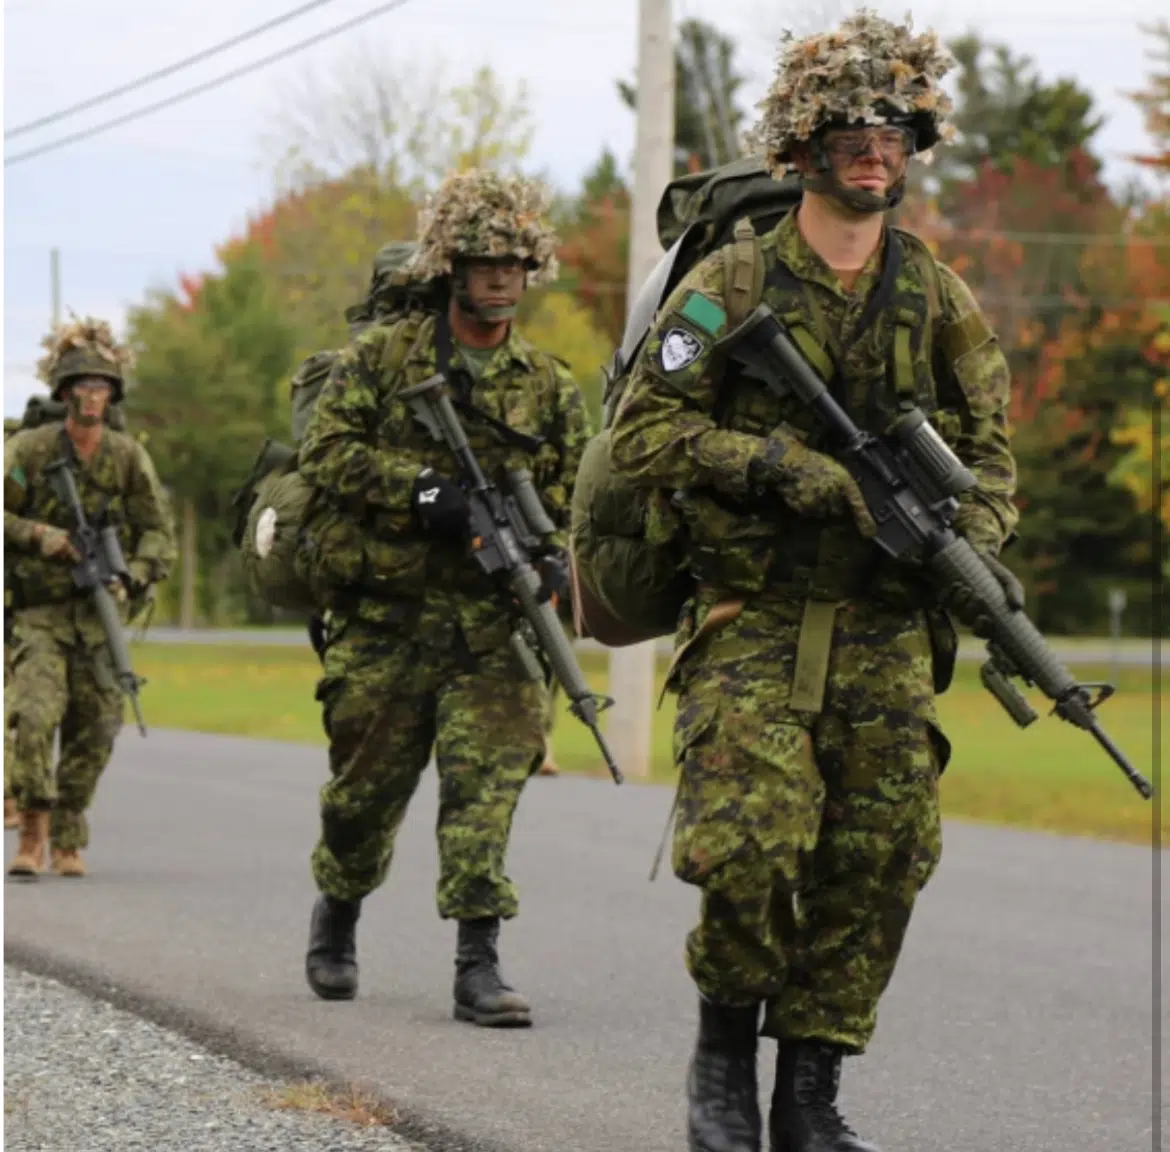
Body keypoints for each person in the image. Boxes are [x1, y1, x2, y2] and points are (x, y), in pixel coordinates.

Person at [608, 11, 1020, 1151]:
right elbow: (644, 435)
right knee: (750, 847)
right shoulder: (732, 283)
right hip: (752, 617)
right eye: (848, 126)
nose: (874, 147)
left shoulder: (936, 295)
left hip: (886, 631)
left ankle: (812, 1098)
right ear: (803, 143)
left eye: (892, 126)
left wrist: (968, 540)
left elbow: (993, 456)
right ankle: (722, 1066)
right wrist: (787, 471)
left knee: (880, 861)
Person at [297, 168, 591, 1026]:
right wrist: (424, 493)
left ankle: (478, 964)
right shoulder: (384, 359)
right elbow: (326, 452)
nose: (501, 277)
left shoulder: (549, 384)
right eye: (483, 261)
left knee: (485, 791)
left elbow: (570, 498)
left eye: (515, 263)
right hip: (385, 620)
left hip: (491, 630)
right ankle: (339, 907)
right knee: (362, 800)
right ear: (449, 267)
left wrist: (553, 565)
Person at [4, 317, 176, 878]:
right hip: (40, 613)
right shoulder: (30, 451)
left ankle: (69, 834)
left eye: (102, 389)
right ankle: (32, 829)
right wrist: (40, 536)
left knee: (97, 726)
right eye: (83, 388)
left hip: (100, 615)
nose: (92, 398)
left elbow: (157, 529)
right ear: (64, 394)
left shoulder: (127, 457)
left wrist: (134, 574)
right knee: (32, 717)